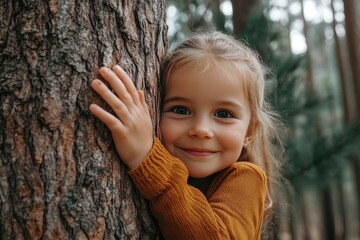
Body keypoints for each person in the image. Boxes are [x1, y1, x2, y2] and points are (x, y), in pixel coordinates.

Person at [89, 31, 283, 239]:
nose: (201, 129)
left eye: (224, 114)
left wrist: (147, 159)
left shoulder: (246, 179)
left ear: (250, 130)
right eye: (181, 110)